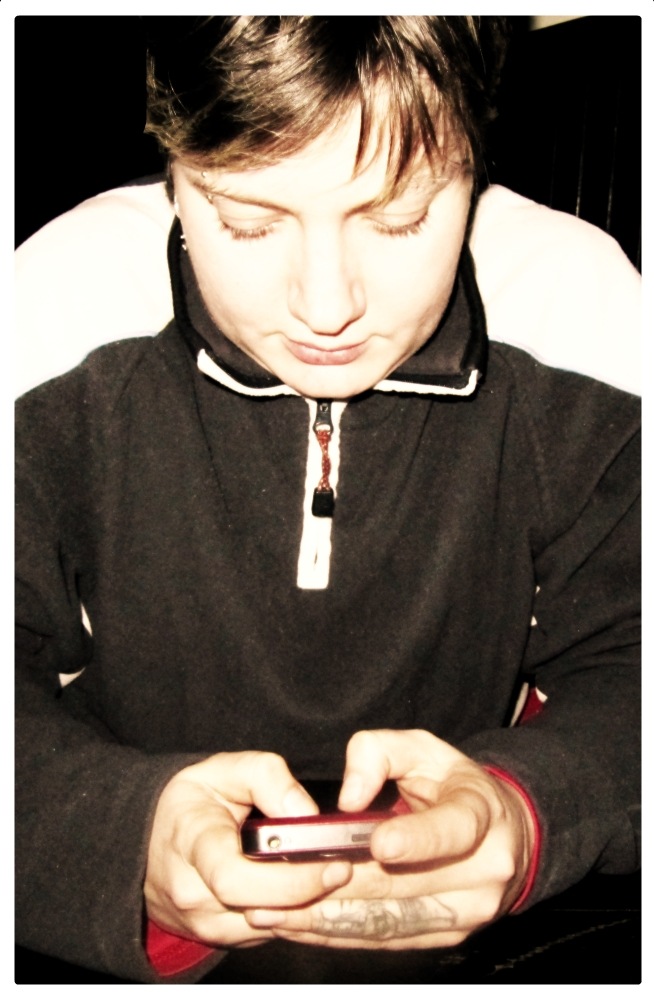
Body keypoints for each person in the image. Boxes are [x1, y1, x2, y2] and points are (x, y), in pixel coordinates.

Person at [15, 16, 640, 984]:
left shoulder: (584, 310)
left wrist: (529, 811)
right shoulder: (51, 305)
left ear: (477, 151)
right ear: (172, 156)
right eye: (247, 221)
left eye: (398, 218)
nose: (326, 305)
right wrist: (116, 838)